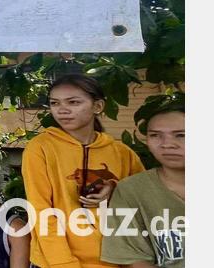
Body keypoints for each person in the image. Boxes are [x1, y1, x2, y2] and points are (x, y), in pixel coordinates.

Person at [23, 74, 145, 268]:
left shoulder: (122, 153)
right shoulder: (40, 147)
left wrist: (113, 189)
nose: (62, 110)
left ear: (97, 106)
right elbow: (40, 210)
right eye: (55, 103)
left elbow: (141, 201)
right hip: (56, 262)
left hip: (113, 261)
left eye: (73, 102)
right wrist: (63, 263)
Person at [101, 100, 185, 268]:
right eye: (155, 135)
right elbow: (135, 260)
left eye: (181, 135)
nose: (167, 144)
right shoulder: (131, 191)